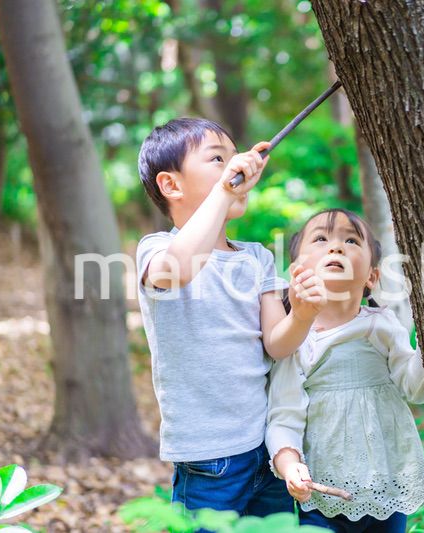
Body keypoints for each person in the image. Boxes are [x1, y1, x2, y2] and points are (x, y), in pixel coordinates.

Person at [135, 118, 326, 516]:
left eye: (233, 157)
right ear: (171, 185)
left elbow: (276, 343)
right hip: (208, 461)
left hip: (265, 450)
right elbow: (178, 270)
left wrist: (303, 315)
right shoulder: (157, 248)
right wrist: (224, 190)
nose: (233, 167)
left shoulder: (255, 256)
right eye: (217, 159)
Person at [266, 208, 424, 532]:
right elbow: (283, 415)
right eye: (321, 239)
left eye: (351, 240)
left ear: (371, 276)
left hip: (386, 484)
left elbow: (415, 388)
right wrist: (289, 466)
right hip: (321, 491)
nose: (336, 247)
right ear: (297, 272)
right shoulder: (293, 340)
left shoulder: (381, 325)